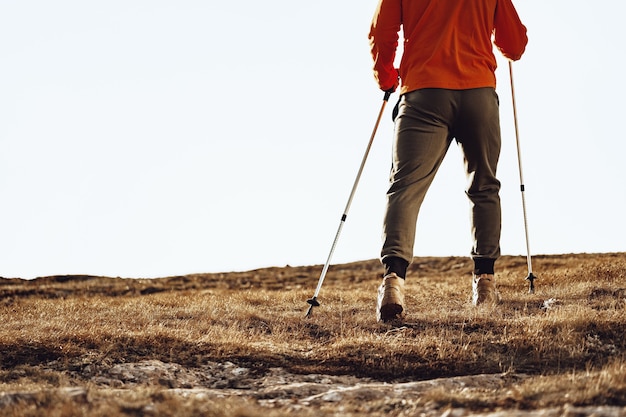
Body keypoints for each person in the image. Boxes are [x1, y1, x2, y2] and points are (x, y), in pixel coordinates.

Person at [369, 0, 528, 322]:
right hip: (478, 92)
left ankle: (393, 282)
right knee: (483, 185)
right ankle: (485, 282)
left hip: (423, 92)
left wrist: (386, 78)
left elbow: (381, 34)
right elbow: (514, 44)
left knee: (405, 188)